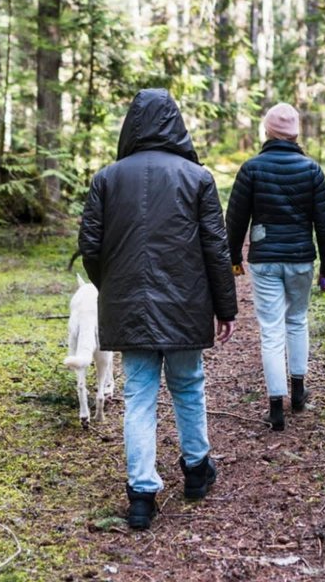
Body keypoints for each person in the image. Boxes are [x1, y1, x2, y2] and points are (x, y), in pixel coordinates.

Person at [77, 89, 237, 530]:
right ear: (176, 124)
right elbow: (215, 249)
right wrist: (226, 307)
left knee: (139, 398)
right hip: (186, 305)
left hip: (128, 305)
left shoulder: (106, 178)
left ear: (131, 125)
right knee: (188, 386)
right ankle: (196, 470)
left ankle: (142, 495)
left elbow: (89, 247)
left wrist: (112, 287)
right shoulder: (197, 177)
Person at [226, 103, 325, 432]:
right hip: (302, 258)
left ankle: (276, 408)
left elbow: (234, 221)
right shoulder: (311, 170)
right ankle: (299, 393)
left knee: (271, 330)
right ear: (295, 133)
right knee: (297, 320)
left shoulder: (251, 169)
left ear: (267, 131)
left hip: (264, 261)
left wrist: (234, 259)